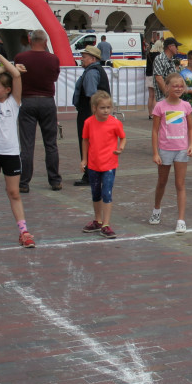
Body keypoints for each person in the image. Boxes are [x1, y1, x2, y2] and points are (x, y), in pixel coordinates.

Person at [0, 49, 35, 248]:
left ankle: (24, 232)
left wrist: (6, 64)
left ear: (8, 89)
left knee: (14, 193)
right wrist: (6, 68)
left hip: (10, 153)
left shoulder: (14, 102)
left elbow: (17, 76)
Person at [14, 30, 62, 193]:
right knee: (51, 143)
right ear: (45, 41)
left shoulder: (21, 58)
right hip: (47, 100)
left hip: (27, 100)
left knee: (27, 144)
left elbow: (17, 76)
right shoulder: (53, 59)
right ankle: (55, 180)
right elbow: (54, 77)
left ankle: (24, 182)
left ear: (30, 40)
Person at [149, 74, 192, 233]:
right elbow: (155, 131)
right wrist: (155, 152)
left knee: (180, 184)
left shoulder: (186, 106)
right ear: (167, 87)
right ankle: (156, 209)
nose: (178, 88)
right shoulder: (160, 106)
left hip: (181, 150)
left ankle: (181, 219)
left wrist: (191, 144)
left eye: (181, 86)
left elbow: (191, 128)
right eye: (174, 86)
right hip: (165, 150)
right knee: (162, 182)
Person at [80, 90, 126, 239]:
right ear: (94, 108)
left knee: (107, 192)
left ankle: (106, 224)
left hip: (109, 164)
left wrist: (120, 148)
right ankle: (98, 220)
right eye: (102, 108)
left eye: (108, 107)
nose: (106, 111)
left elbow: (122, 137)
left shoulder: (115, 122)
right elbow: (85, 140)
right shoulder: (88, 122)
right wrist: (84, 160)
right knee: (95, 192)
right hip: (94, 164)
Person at [72, 46, 110, 186]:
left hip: (88, 112)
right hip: (92, 112)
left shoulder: (92, 72)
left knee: (87, 142)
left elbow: (91, 94)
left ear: (92, 59)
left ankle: (89, 174)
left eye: (84, 56)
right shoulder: (95, 70)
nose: (81, 58)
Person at [152, 37, 180, 102]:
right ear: (170, 47)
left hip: (172, 97)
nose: (177, 48)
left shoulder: (171, 60)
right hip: (164, 98)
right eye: (176, 46)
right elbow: (159, 79)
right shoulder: (160, 59)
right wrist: (168, 95)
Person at [145, 34, 163, 118]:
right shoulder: (159, 55)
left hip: (148, 75)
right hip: (155, 75)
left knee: (150, 96)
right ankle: (155, 114)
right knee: (156, 96)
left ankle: (149, 113)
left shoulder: (149, 54)